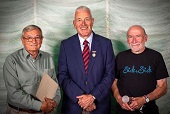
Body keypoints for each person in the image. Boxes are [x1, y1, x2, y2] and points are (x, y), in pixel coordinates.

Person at [57, 6, 115, 114]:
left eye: (87, 19)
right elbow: (62, 76)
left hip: (100, 107)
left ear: (92, 21)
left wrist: (93, 97)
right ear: (74, 23)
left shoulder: (106, 44)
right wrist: (81, 99)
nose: (83, 24)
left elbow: (110, 74)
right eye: (79, 20)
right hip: (72, 107)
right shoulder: (66, 45)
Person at [3, 25, 61, 114]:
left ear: (42, 39)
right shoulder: (12, 60)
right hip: (19, 111)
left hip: (44, 111)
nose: (33, 41)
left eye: (37, 37)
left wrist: (54, 102)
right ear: (22, 40)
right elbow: (14, 93)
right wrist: (39, 105)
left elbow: (53, 82)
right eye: (29, 38)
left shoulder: (47, 58)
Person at [112, 25, 169, 114]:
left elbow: (163, 87)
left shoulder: (156, 57)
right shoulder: (120, 57)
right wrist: (119, 99)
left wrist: (144, 99)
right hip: (123, 110)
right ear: (127, 40)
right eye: (130, 37)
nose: (134, 41)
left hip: (148, 110)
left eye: (138, 36)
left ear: (145, 38)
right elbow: (113, 82)